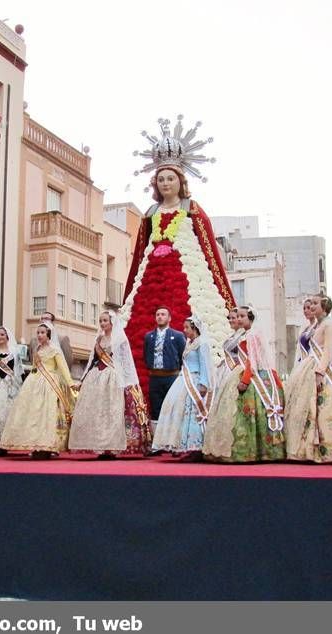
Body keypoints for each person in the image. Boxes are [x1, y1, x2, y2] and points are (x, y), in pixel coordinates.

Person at [119, 117, 235, 406]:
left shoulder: (192, 209)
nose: (166, 183)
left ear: (181, 181)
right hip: (151, 281)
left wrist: (221, 293)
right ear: (155, 184)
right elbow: (139, 254)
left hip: (187, 278)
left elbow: (209, 252)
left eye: (171, 178)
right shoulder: (150, 213)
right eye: (161, 179)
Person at [204, 306, 286, 463]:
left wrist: (245, 379)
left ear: (250, 318)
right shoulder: (243, 335)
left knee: (252, 413)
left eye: (242, 316)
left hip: (252, 376)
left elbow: (252, 360)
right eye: (238, 316)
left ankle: (256, 450)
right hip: (239, 372)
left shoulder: (253, 335)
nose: (239, 319)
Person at [69, 311, 151, 458]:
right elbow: (92, 361)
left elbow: (126, 362)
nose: (102, 323)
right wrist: (82, 380)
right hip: (97, 377)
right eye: (100, 321)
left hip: (114, 378)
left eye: (105, 321)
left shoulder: (120, 339)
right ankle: (99, 445)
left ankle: (113, 446)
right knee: (98, 412)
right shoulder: (99, 339)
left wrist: (128, 382)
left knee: (113, 411)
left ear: (112, 322)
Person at [284, 294, 332, 463]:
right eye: (311, 303)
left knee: (326, 410)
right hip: (310, 366)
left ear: (325, 306)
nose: (312, 306)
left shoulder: (329, 324)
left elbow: (328, 350)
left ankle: (330, 451)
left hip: (327, 371)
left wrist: (320, 372)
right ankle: (308, 448)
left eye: (315, 303)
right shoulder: (315, 326)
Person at [0, 322, 75, 459]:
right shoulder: (37, 349)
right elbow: (35, 367)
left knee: (46, 415)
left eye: (42, 333)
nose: (40, 335)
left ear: (48, 335)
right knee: (33, 414)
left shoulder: (55, 350)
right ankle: (35, 445)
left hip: (49, 384)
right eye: (38, 333)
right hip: (34, 382)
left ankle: (46, 447)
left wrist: (71, 383)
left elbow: (63, 368)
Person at [151, 315, 214, 461]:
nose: (184, 330)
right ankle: (184, 446)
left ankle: (196, 447)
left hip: (195, 380)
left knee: (192, 415)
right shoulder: (189, 342)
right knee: (179, 412)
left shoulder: (201, 343)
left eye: (187, 328)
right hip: (184, 380)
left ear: (195, 328)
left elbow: (205, 364)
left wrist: (204, 384)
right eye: (184, 327)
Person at [144, 306, 187, 424]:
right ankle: (157, 438)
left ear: (169, 318)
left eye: (163, 314)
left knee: (173, 406)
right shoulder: (149, 336)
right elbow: (146, 354)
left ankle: (171, 437)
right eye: (157, 314)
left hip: (172, 377)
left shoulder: (178, 336)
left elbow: (183, 356)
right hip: (155, 377)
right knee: (156, 407)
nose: (160, 317)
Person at [295, 299, 316, 366]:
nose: (305, 311)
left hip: (313, 363)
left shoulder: (317, 326)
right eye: (304, 308)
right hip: (303, 361)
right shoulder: (305, 328)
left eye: (308, 308)